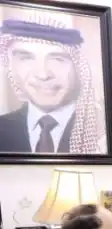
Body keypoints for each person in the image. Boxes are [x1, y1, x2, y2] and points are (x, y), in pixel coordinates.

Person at [0, 16, 102, 154]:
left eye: (58, 59)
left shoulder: (102, 133)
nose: (43, 75)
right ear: (12, 66)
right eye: (26, 58)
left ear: (77, 68)